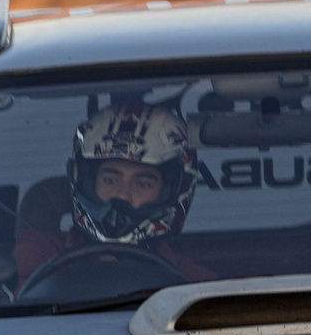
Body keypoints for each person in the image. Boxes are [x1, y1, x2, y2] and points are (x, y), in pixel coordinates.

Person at [13, 100, 215, 284]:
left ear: (171, 192)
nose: (122, 195)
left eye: (143, 184)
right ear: (88, 184)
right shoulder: (39, 255)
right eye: (111, 180)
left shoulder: (192, 282)